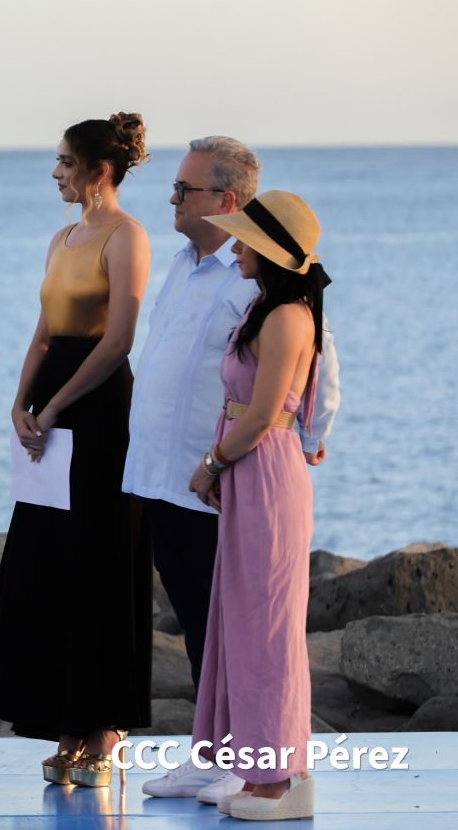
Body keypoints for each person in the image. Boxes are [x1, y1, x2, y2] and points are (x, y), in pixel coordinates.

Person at [125, 137, 340, 801]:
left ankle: (243, 761)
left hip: (227, 478)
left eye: (184, 189)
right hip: (165, 474)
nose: (172, 198)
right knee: (207, 622)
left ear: (226, 200)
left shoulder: (261, 291)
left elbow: (318, 368)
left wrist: (304, 438)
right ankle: (213, 751)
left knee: (241, 623)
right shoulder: (185, 268)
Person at [0, 113, 153, 788]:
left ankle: (105, 730)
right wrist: (18, 402)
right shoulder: (63, 236)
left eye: (65, 161)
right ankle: (66, 725)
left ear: (98, 170)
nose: (56, 172)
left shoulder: (126, 236)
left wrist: (54, 406)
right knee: (50, 564)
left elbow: (117, 342)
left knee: (99, 560)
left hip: (98, 413)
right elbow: (43, 333)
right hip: (51, 410)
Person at [185, 191, 329, 821]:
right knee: (246, 623)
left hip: (263, 469)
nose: (236, 247)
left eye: (244, 240)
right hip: (253, 469)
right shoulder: (267, 310)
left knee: (267, 629)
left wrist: (212, 463)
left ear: (269, 251)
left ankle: (278, 779)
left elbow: (268, 412)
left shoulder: (286, 317)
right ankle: (265, 769)